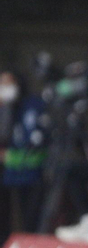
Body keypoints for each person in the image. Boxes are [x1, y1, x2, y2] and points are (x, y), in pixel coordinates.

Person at [0, 69, 46, 238]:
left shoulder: (33, 106)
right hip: (10, 176)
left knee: (32, 223)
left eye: (7, 83)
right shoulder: (7, 108)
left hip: (33, 176)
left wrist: (10, 157)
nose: (4, 88)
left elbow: (37, 149)